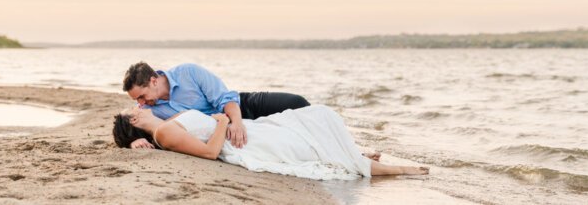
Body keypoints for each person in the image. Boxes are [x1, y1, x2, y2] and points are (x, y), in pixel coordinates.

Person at [112, 105, 429, 180]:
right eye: (131, 110)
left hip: (248, 130)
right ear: (135, 122)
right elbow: (209, 152)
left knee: (313, 119)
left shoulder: (166, 124)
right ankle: (402, 170)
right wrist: (223, 121)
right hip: (244, 143)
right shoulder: (164, 133)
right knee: (309, 142)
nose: (137, 106)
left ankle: (359, 153)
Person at [122, 62, 310, 149]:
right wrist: (133, 142)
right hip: (218, 129)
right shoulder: (148, 110)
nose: (140, 104)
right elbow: (128, 129)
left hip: (240, 107)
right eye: (136, 100)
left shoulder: (188, 73)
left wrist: (236, 122)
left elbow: (224, 99)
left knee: (298, 104)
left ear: (154, 81)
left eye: (141, 96)